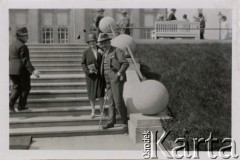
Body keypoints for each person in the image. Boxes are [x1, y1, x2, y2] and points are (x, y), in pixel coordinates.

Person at [98, 33, 129, 130]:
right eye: (102, 44)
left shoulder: (117, 50)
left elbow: (125, 63)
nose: (103, 45)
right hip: (107, 79)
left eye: (105, 43)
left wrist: (119, 74)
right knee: (110, 101)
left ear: (109, 42)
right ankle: (111, 122)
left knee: (118, 100)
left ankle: (125, 121)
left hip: (116, 78)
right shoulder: (104, 53)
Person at [9, 27, 40, 112]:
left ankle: (15, 106)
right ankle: (17, 106)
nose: (28, 38)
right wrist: (33, 71)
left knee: (17, 87)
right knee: (25, 87)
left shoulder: (11, 45)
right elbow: (25, 60)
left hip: (12, 71)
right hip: (21, 71)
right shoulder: (23, 46)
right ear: (21, 36)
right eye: (26, 36)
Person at [81, 33, 105, 119]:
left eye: (94, 41)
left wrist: (103, 54)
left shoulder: (101, 50)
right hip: (91, 77)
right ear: (88, 43)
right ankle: (93, 110)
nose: (92, 43)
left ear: (96, 42)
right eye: (90, 42)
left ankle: (102, 110)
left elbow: (105, 61)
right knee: (92, 95)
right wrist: (88, 71)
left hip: (99, 76)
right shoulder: (86, 52)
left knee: (101, 94)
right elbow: (83, 64)